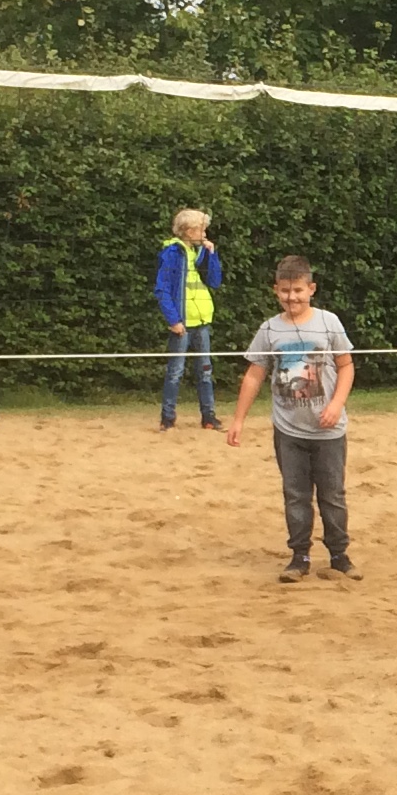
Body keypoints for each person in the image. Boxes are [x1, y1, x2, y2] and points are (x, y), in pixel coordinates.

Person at [228, 255, 359, 581]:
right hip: (288, 430)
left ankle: (339, 555)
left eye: (298, 290)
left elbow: (346, 366)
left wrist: (336, 404)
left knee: (332, 495)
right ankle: (300, 556)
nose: (292, 297)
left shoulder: (329, 322)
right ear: (276, 290)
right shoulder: (270, 329)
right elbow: (254, 375)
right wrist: (238, 420)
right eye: (285, 291)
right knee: (296, 496)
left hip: (328, 431)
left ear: (311, 289)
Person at [155, 208, 227, 431]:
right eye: (200, 229)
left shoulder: (201, 251)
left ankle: (209, 417)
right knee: (175, 372)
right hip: (183, 323)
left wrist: (212, 254)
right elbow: (162, 289)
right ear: (187, 231)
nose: (204, 233)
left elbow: (214, 281)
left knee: (205, 371)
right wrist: (173, 320)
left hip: (202, 321)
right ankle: (167, 418)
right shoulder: (172, 254)